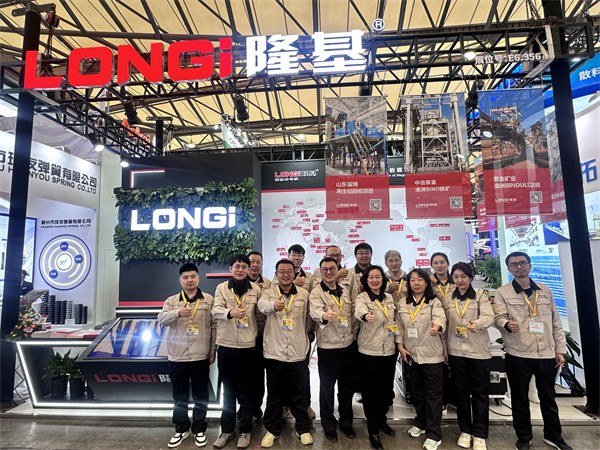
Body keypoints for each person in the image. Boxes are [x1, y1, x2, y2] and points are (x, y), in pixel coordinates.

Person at [494, 252, 572, 450]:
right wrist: (507, 324)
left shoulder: (544, 290)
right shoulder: (503, 292)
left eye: (522, 263)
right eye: (514, 265)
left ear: (529, 265)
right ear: (509, 269)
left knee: (548, 398)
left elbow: (555, 321)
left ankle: (553, 436)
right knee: (519, 399)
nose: (519, 267)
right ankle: (523, 437)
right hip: (518, 353)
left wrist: (560, 349)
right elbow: (498, 317)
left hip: (545, 352)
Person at [157, 263, 216, 448]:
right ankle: (181, 429)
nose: (189, 280)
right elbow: (161, 319)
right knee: (180, 396)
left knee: (201, 395)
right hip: (177, 356)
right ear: (180, 280)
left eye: (193, 276)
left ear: (198, 278)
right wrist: (177, 313)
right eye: (185, 277)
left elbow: (214, 326)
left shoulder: (208, 300)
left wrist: (212, 349)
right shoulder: (172, 301)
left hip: (200, 355)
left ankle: (199, 429)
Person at [258, 259, 313, 447]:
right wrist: (273, 305)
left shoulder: (304, 294)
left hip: (298, 351)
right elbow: (261, 306)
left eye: (289, 271)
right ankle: (272, 430)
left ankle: (302, 428)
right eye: (281, 271)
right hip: (275, 352)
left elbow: (309, 319)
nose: (286, 275)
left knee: (300, 393)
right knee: (275, 394)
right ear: (276, 274)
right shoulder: (268, 293)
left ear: (294, 273)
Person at [211, 254, 262, 449]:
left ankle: (246, 430)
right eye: (237, 266)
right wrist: (230, 313)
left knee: (248, 391)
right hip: (227, 346)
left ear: (249, 269)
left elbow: (260, 315)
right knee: (228, 391)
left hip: (248, 347)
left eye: (244, 267)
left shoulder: (256, 289)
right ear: (230, 268)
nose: (240, 270)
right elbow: (215, 310)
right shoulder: (221, 288)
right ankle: (227, 430)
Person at [442, 262, 494, 450]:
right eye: (456, 277)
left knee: (480, 394)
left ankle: (480, 434)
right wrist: (444, 350)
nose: (460, 280)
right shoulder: (447, 299)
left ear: (470, 278)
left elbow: (489, 317)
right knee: (461, 393)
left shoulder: (480, 298)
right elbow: (444, 324)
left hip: (478, 351)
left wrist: (478, 323)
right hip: (456, 351)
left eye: (463, 276)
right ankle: (465, 430)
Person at [396, 268, 446, 450]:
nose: (416, 283)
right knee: (418, 392)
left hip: (431, 354)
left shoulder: (434, 301)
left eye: (419, 279)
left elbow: (440, 318)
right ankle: (421, 423)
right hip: (411, 354)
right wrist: (400, 346)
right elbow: (399, 325)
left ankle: (434, 434)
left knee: (433, 395)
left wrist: (437, 327)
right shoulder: (403, 302)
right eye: (412, 280)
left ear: (426, 282)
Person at [309, 257, 357, 442]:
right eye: (325, 269)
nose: (329, 272)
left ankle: (346, 423)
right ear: (320, 272)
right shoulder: (316, 292)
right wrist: (324, 315)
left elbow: (352, 314)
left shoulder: (344, 289)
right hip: (328, 347)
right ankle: (328, 425)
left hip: (348, 345)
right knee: (327, 388)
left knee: (346, 387)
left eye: (332, 269)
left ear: (338, 270)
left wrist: (353, 335)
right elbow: (314, 311)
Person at [354, 265, 397, 450]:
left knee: (386, 391)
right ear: (366, 280)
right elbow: (359, 311)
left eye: (378, 277)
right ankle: (373, 430)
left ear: (383, 279)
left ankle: (382, 420)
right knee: (371, 392)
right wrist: (366, 316)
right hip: (369, 352)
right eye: (371, 277)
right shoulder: (362, 298)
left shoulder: (389, 298)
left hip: (389, 350)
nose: (374, 280)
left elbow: (393, 320)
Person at [429, 252, 456, 415]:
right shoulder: (429, 283)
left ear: (447, 263)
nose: (439, 266)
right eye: (436, 263)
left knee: (457, 364)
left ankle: (457, 399)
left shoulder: (457, 280)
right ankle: (443, 400)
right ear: (431, 265)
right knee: (441, 366)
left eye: (442, 262)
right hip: (438, 327)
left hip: (455, 324)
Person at [247, 251, 270, 419]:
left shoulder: (268, 283)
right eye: (252, 262)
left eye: (258, 262)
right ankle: (245, 406)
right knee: (246, 374)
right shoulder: (239, 283)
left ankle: (257, 406)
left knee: (260, 374)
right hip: (245, 334)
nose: (255, 265)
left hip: (263, 334)